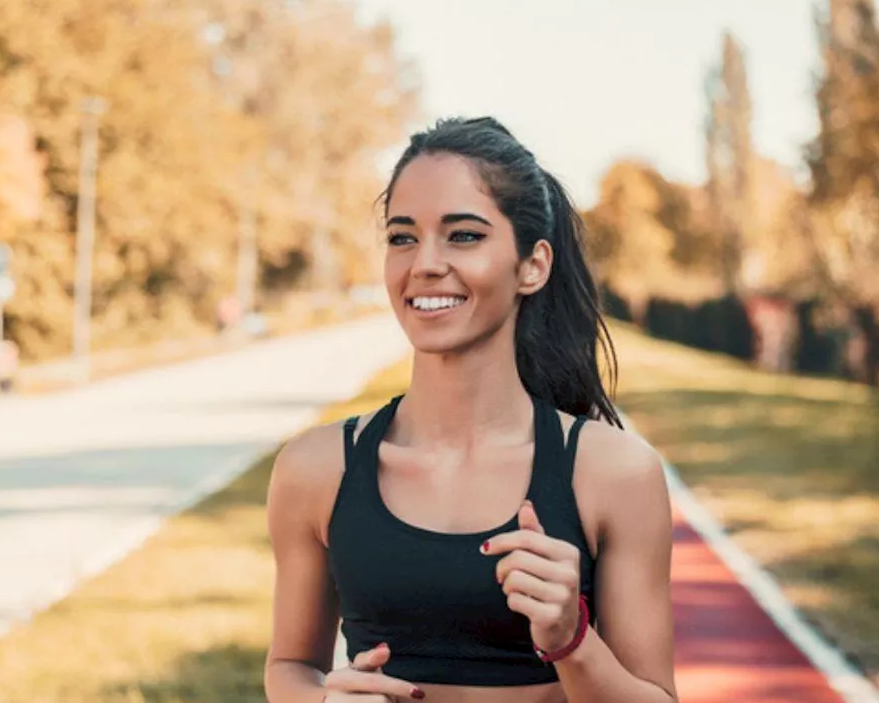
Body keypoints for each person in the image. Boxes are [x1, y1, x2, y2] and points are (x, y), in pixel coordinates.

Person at [264, 117, 677, 702]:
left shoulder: (613, 473)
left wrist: (570, 639)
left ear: (532, 265)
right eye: (402, 237)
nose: (424, 263)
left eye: (463, 236)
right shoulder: (316, 468)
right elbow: (288, 666)